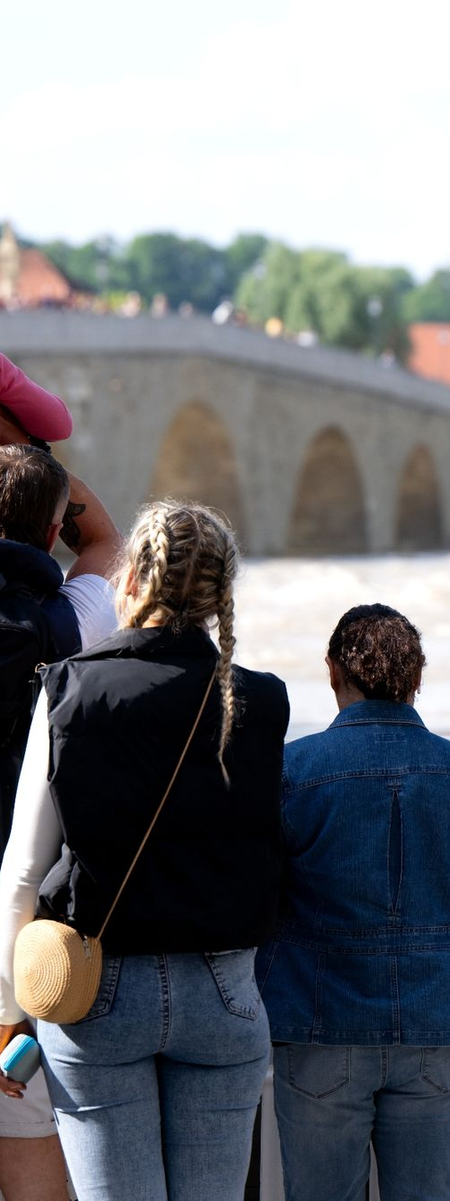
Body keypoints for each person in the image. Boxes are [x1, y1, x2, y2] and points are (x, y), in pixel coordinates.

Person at [0, 501, 289, 1201]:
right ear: (222, 593)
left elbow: (22, 870)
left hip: (98, 987)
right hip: (224, 991)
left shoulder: (71, 687)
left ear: (132, 579)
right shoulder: (260, 700)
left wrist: (9, 1010)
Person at [256, 603, 450, 1201]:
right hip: (435, 1023)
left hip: (320, 1024)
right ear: (417, 678)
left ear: (331, 672)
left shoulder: (290, 771)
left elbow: (258, 902)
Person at [0, 361, 121, 1201]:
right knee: (28, 1142)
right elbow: (108, 540)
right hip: (26, 929)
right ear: (49, 532)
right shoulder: (71, 622)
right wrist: (48, 479)